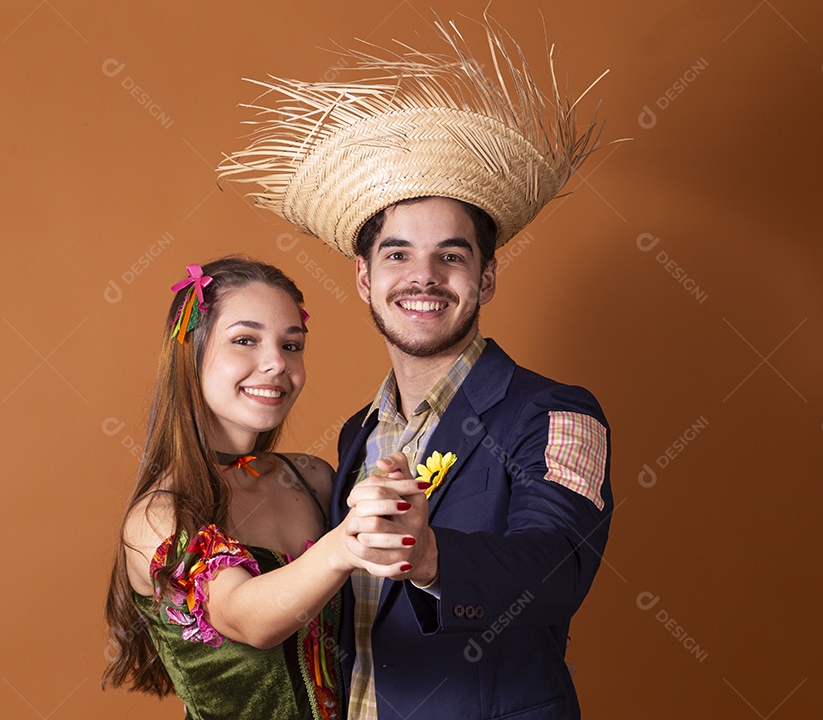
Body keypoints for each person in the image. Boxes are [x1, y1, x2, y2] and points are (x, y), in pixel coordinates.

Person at [218, 15, 616, 720]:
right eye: (397, 254)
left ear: (486, 278)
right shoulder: (355, 438)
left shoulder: (558, 414)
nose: (423, 278)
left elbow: (556, 567)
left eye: (451, 256)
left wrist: (429, 556)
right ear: (365, 282)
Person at [102, 256, 422, 720]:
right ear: (190, 351)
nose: (275, 362)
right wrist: (342, 546)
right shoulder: (160, 516)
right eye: (245, 340)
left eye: (292, 345)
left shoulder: (312, 479)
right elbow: (246, 618)